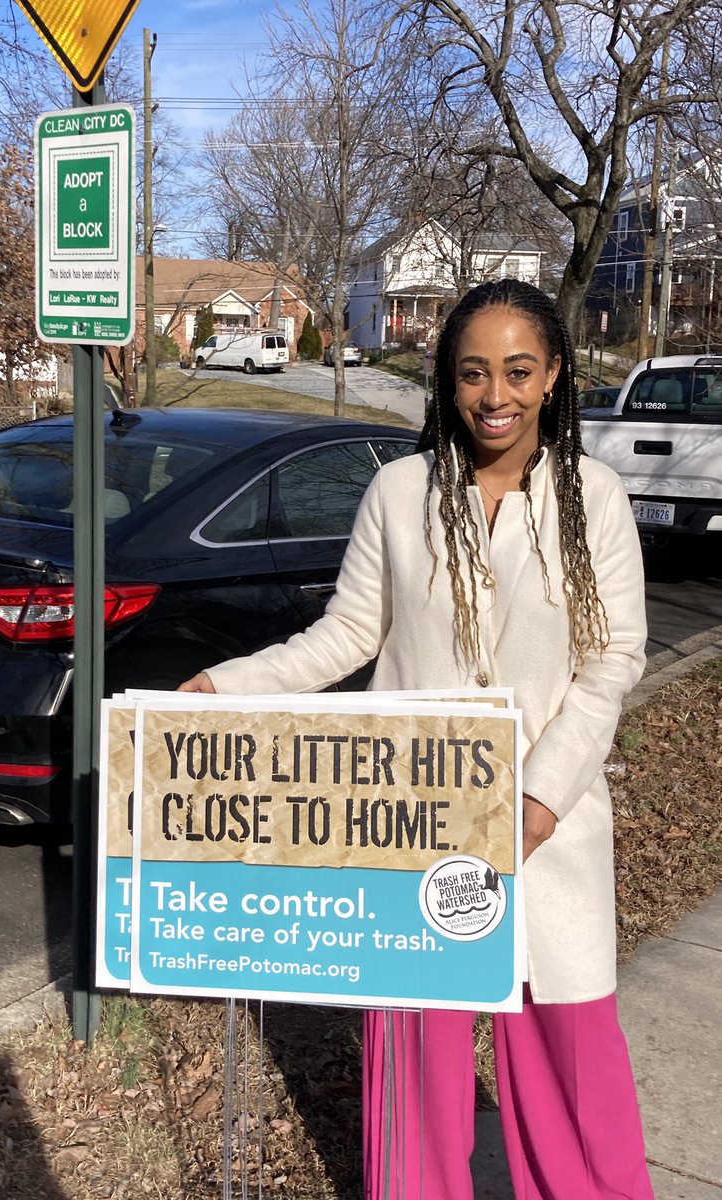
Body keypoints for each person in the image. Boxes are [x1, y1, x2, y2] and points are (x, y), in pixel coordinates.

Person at [179, 278, 654, 1200]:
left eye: (519, 371)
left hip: (544, 833)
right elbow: (346, 637)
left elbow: (612, 662)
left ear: (554, 375)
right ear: (446, 379)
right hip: (415, 826)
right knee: (415, 1077)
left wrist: (543, 795)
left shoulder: (592, 497)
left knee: (573, 1068)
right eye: (473, 373)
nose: (495, 396)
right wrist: (222, 685)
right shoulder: (402, 492)